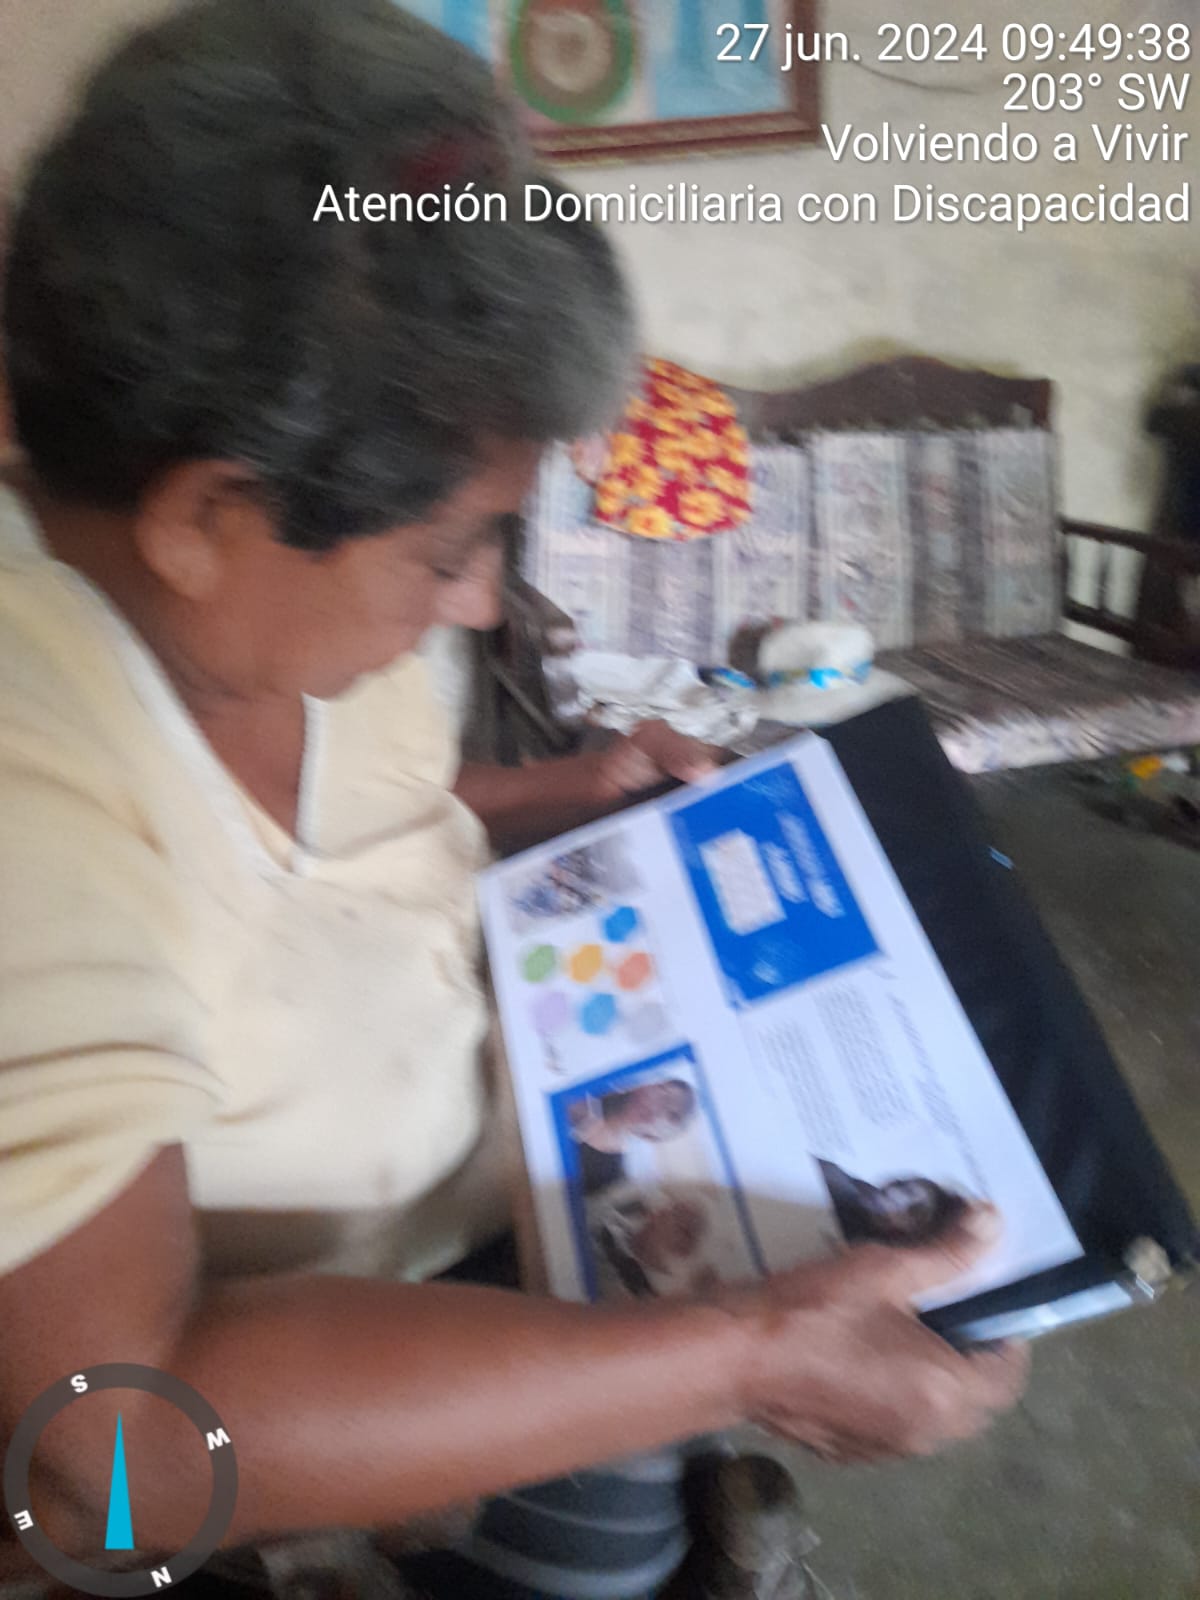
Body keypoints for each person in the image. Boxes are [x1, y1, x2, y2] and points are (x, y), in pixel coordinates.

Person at [0, 3, 1029, 1597]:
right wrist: (741, 1354)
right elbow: (110, 1459)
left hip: (505, 1195)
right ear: (206, 514)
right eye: (449, 553)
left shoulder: (279, 621)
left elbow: (343, 835)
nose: (478, 604)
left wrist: (561, 794)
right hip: (271, 1417)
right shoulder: (32, 793)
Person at [589, 1186, 712, 1301]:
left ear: (685, 1248)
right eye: (673, 1207)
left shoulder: (641, 1292)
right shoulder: (621, 1213)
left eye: (677, 1217)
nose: (664, 1211)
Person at [817, 1161, 968, 1248]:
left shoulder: (862, 1255)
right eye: (905, 1189)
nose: (899, 1199)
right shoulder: (837, 1179)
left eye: (914, 1212)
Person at [569, 1078, 699, 1153]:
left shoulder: (606, 1151)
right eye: (661, 1089)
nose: (654, 1102)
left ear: (652, 1137)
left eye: (671, 1116)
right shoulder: (607, 1082)